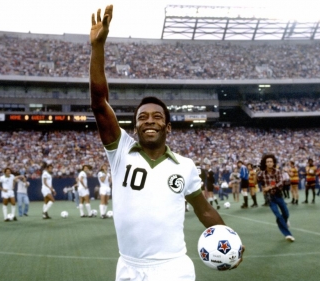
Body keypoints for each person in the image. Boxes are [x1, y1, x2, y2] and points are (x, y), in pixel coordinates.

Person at [89, 5, 243, 279]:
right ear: (134, 126)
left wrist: (231, 243)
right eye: (142, 117)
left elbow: (204, 210)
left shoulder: (185, 166)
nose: (149, 120)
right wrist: (98, 47)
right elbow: (100, 105)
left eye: (157, 117)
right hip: (127, 268)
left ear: (167, 126)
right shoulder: (120, 151)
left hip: (173, 269)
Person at [257, 154, 294, 242]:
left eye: (271, 161)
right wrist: (255, 172)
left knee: (286, 213)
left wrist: (269, 187)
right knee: (278, 215)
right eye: (267, 162)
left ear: (273, 163)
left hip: (278, 195)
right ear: (265, 163)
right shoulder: (262, 173)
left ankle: (284, 222)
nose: (269, 163)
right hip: (269, 197)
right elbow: (256, 181)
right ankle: (288, 234)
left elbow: (280, 183)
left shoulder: (278, 172)